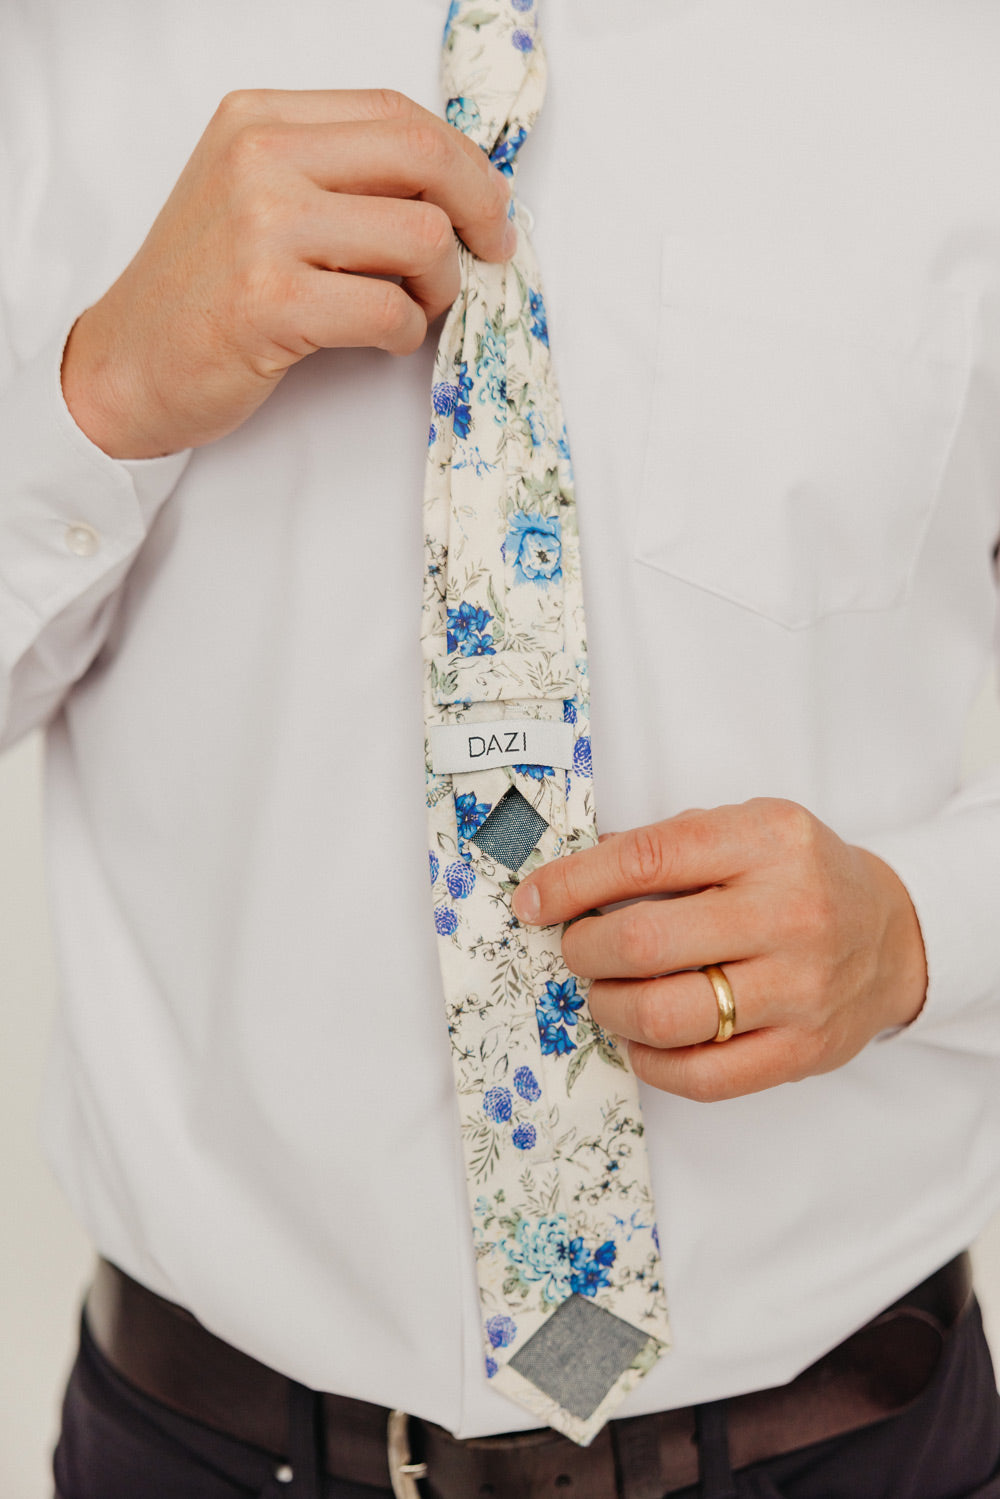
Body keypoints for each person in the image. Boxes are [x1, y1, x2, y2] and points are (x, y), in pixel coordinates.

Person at [3, 3, 1000, 1496]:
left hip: (851, 1441)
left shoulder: (961, 62)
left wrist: (928, 928)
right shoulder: (55, 61)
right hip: (200, 1444)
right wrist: (94, 403)